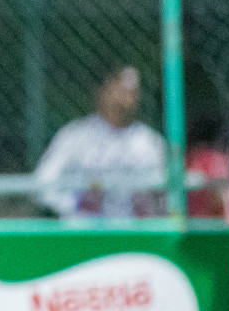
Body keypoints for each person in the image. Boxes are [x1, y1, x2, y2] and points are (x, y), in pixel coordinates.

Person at [33, 65, 166, 218]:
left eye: (132, 92)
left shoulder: (150, 142)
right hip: (87, 235)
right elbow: (43, 183)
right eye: (120, 89)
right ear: (102, 91)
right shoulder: (76, 136)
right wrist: (75, 206)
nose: (125, 99)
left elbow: (166, 194)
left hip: (137, 234)